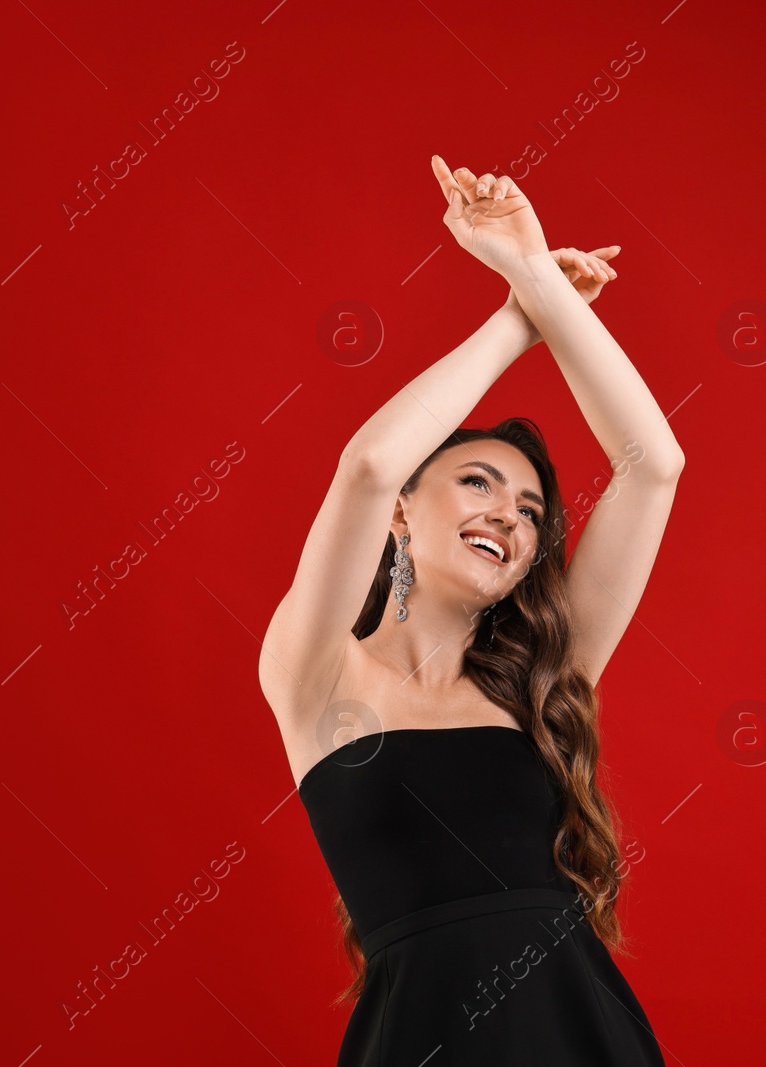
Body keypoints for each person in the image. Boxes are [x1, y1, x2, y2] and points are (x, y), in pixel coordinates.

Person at [257, 154, 684, 1064]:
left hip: (585, 1037)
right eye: (479, 482)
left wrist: (540, 278)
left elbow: (655, 464)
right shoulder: (318, 675)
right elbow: (370, 466)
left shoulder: (540, 677)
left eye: (532, 512)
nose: (509, 515)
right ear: (404, 513)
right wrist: (513, 319)